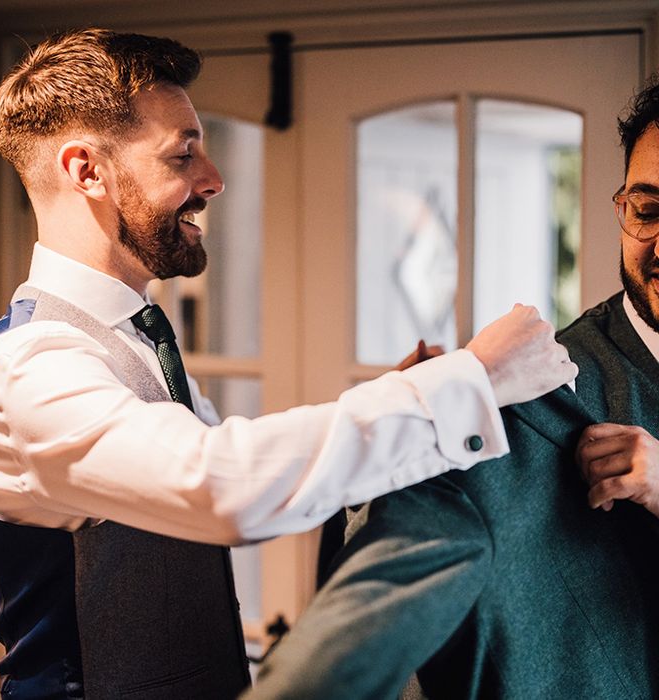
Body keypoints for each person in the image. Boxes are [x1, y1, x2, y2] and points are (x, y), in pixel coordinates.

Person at [0, 28, 576, 699]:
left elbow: (245, 464)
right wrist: (469, 382)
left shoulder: (137, 336)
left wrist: (397, 395)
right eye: (182, 156)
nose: (212, 180)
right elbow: (224, 486)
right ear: (87, 170)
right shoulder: (31, 365)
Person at [245, 75, 659, 700]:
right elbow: (372, 610)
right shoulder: (532, 407)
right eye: (648, 210)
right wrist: (404, 433)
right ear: (620, 205)